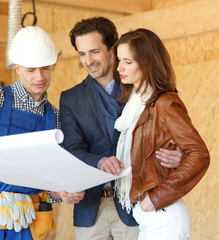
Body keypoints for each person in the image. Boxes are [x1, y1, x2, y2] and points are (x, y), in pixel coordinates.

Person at [0, 26, 83, 240]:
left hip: (24, 226)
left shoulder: (56, 119)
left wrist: (63, 193)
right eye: (31, 70)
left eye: (45, 68)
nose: (40, 76)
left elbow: (49, 183)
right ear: (18, 68)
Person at [55, 17, 184, 240]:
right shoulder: (70, 98)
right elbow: (72, 149)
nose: (88, 61)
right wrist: (99, 161)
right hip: (91, 210)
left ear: (113, 49)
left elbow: (170, 134)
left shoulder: (142, 88)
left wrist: (179, 153)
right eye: (82, 54)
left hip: (136, 206)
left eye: (94, 51)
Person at [114, 28, 210, 240]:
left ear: (147, 63)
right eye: (119, 60)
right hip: (147, 215)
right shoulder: (135, 105)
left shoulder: (165, 103)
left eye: (128, 62)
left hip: (163, 215)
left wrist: (157, 198)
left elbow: (199, 154)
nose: (119, 67)